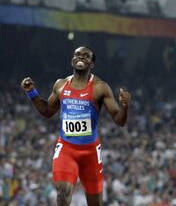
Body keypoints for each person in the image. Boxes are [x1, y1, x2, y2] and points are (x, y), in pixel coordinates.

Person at [20, 46, 131, 206]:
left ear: (92, 64)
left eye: (86, 56)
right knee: (62, 194)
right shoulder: (60, 85)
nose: (81, 57)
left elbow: (119, 121)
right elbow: (47, 111)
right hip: (66, 149)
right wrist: (32, 93)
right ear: (72, 60)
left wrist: (125, 106)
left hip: (91, 153)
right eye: (78, 54)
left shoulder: (100, 87)